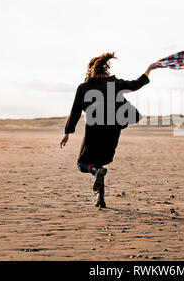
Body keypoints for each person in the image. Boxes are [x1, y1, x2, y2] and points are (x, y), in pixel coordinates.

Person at [60, 52, 159, 208]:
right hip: (113, 130)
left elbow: (75, 111)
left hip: (94, 130)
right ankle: (101, 199)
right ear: (105, 69)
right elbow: (135, 84)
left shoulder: (84, 87)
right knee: (99, 164)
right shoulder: (115, 84)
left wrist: (67, 132)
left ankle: (97, 177)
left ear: (90, 70)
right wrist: (149, 69)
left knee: (83, 164)